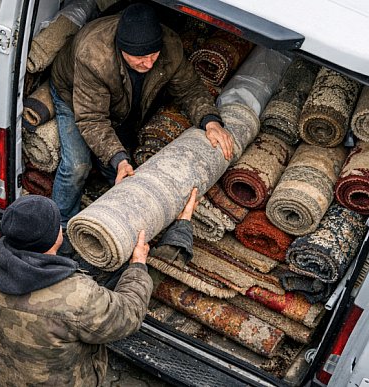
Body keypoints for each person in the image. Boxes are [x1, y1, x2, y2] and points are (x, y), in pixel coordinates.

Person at [0, 188, 200, 386]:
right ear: (54, 239)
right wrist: (138, 266)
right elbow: (129, 314)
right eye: (58, 226)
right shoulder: (76, 298)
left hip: (7, 377)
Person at [49, 3, 235, 233]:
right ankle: (59, 227)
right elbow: (92, 119)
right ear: (120, 48)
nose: (148, 63)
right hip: (73, 96)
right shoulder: (94, 55)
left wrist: (211, 121)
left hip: (122, 100)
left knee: (125, 168)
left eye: (153, 55)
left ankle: (117, 223)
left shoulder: (170, 47)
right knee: (78, 165)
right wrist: (119, 159)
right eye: (139, 57)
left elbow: (189, 88)